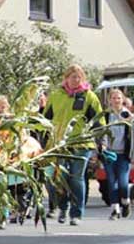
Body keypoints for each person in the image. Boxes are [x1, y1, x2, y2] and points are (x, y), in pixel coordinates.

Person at [44, 64, 103, 225]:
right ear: (66, 78)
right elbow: (46, 119)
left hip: (81, 143)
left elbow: (98, 121)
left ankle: (76, 214)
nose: (76, 80)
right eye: (73, 77)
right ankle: (63, 207)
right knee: (60, 178)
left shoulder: (89, 96)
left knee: (77, 178)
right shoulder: (56, 96)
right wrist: (44, 142)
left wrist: (99, 144)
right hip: (59, 144)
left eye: (79, 77)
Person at [100, 88, 134, 220]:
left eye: (118, 98)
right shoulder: (106, 116)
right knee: (112, 183)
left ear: (122, 100)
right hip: (109, 154)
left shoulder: (129, 117)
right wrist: (100, 150)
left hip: (124, 155)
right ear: (109, 100)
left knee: (123, 183)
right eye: (113, 98)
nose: (116, 100)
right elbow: (101, 134)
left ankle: (126, 201)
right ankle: (115, 210)